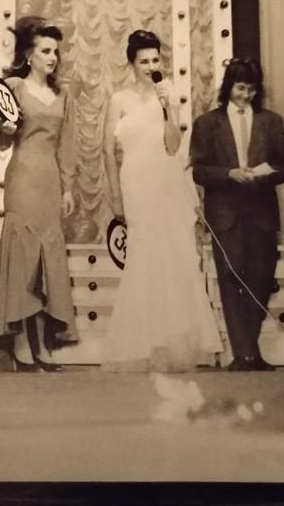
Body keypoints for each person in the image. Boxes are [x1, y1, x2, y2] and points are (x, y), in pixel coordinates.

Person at [101, 30, 221, 372]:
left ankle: (171, 344)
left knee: (172, 256)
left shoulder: (169, 95)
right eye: (144, 61)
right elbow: (107, 151)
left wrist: (168, 108)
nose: (151, 66)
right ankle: (141, 342)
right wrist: (115, 196)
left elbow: (173, 145)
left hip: (165, 180)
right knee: (143, 255)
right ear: (132, 64)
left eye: (155, 60)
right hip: (135, 180)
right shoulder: (119, 100)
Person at [0, 16, 78, 371]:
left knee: (46, 262)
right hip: (23, 177)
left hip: (50, 181)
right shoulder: (13, 87)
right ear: (29, 54)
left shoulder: (62, 95)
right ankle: (21, 343)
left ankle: (42, 345)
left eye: (55, 51)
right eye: (45, 51)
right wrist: (7, 129)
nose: (52, 57)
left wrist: (68, 188)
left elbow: (67, 145)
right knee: (23, 257)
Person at [191, 57, 284, 371]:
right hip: (226, 214)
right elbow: (198, 170)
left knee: (261, 279)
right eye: (240, 88)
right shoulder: (207, 123)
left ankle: (250, 350)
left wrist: (264, 174)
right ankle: (244, 353)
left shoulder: (271, 122)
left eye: (251, 89)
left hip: (262, 213)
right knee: (231, 278)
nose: (246, 95)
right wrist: (229, 174)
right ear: (228, 88)